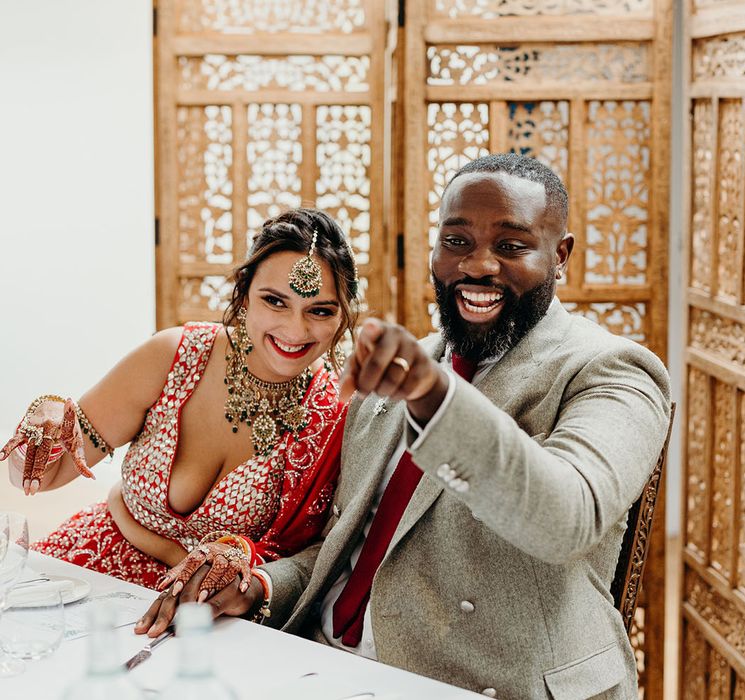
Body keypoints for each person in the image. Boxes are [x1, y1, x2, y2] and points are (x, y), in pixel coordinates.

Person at [138, 154, 670, 699]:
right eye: (457, 241)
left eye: (511, 246)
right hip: (316, 660)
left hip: (477, 683)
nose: (478, 266)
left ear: (560, 256)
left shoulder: (613, 369)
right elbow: (347, 544)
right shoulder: (411, 363)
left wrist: (433, 395)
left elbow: (567, 519)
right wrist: (257, 585)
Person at [0, 208, 359, 594]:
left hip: (204, 614)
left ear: (343, 316)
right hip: (85, 576)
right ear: (244, 295)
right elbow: (37, 479)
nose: (295, 329)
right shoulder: (176, 357)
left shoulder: (334, 415)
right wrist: (42, 429)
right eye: (274, 301)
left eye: (320, 310)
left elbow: (311, 562)